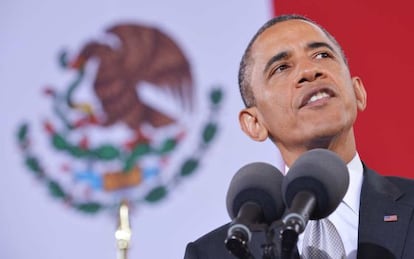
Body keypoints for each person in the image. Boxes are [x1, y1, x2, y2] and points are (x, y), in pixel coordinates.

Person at [183, 14, 414, 259]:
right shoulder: (217, 252)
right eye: (281, 68)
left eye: (322, 55)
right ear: (254, 123)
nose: (309, 71)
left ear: (358, 92)